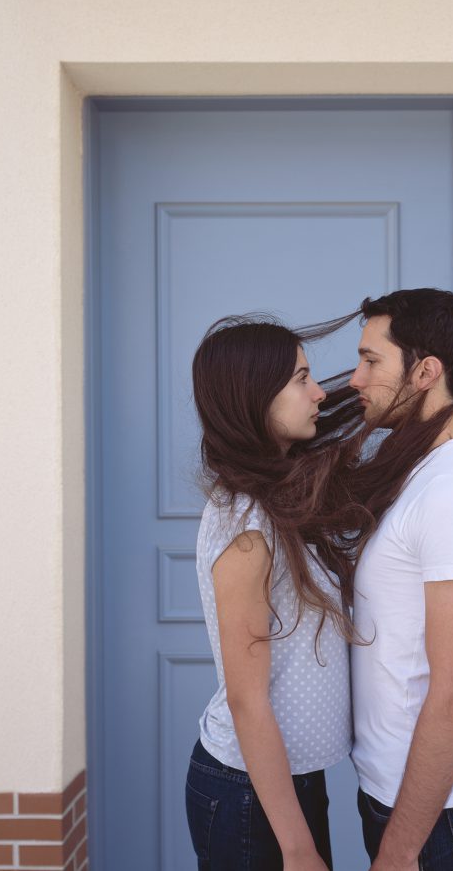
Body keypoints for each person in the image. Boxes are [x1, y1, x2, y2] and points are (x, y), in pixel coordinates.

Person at [348, 288, 453, 871]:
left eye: (371, 360)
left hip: (442, 818)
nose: (354, 379)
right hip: (404, 797)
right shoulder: (420, 473)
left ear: (425, 372)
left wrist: (400, 850)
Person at [185, 314, 366, 871]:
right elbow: (247, 698)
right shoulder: (245, 523)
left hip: (286, 782)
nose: (319, 393)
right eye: (301, 379)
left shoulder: (279, 498)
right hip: (249, 793)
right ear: (254, 397)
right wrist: (297, 846)